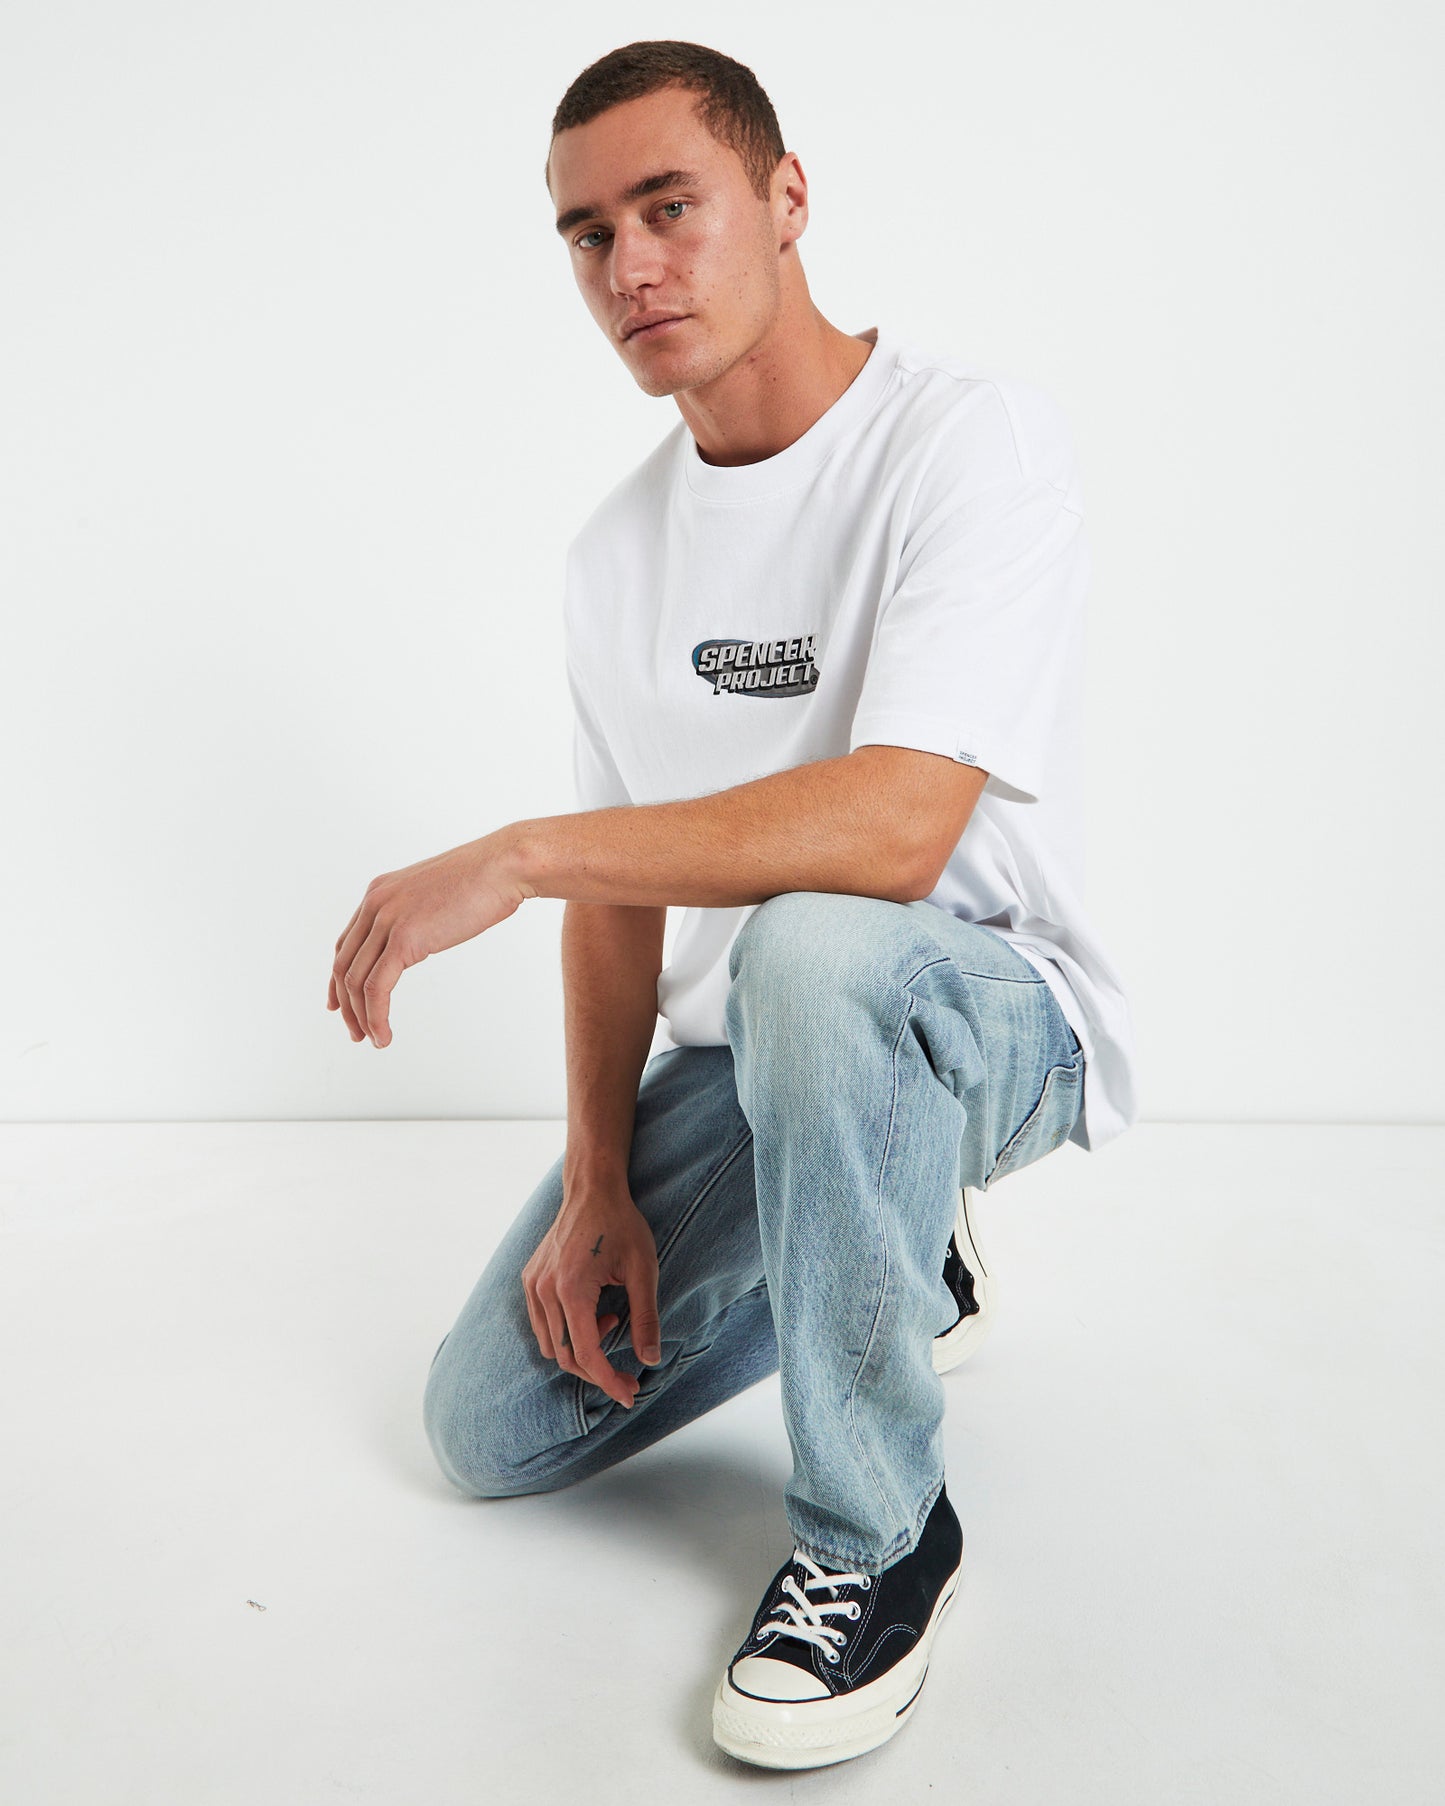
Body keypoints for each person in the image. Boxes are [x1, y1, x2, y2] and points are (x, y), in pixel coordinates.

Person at [327, 39, 1139, 1772]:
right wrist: (598, 1183)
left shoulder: (966, 442)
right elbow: (620, 899)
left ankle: (877, 1534)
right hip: (772, 1051)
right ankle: (899, 1244)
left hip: (992, 1017)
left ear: (783, 198)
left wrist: (523, 848)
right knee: (488, 1423)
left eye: (667, 207)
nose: (627, 264)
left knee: (810, 939)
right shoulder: (616, 554)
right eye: (586, 233)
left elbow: (900, 827)